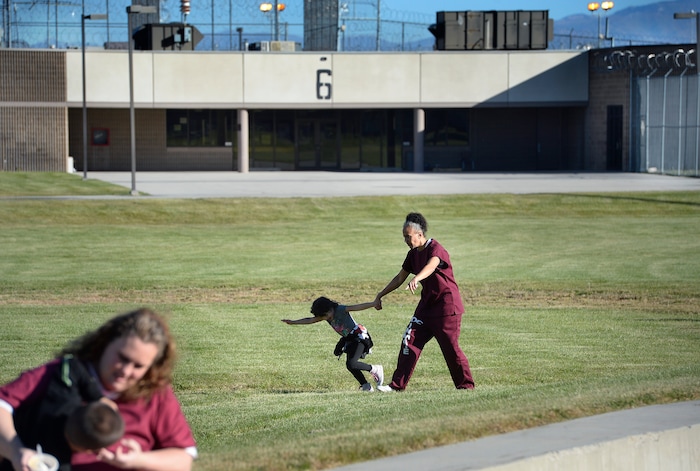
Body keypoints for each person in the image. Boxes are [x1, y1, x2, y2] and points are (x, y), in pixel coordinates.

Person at [0, 308, 197, 471]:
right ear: (105, 343)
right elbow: (2, 405)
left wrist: (138, 460)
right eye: (123, 357)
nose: (126, 371)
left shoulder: (154, 394)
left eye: (138, 366)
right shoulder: (65, 374)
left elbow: (183, 459)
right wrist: (16, 451)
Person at [374, 212, 475, 392]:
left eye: (408, 236)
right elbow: (399, 278)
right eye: (404, 236)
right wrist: (381, 294)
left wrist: (417, 278)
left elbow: (432, 265)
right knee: (409, 341)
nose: (405, 240)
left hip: (446, 307)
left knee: (450, 349)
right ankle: (397, 386)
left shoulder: (436, 249)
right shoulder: (412, 255)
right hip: (426, 308)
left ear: (419, 234)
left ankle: (466, 386)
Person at [0, 352, 125, 471]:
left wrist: (97, 396)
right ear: (86, 450)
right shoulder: (56, 461)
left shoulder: (62, 396)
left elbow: (70, 364)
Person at [282, 296, 385, 392]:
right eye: (324, 316)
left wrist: (373, 304)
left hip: (359, 337)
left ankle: (375, 369)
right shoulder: (326, 315)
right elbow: (310, 320)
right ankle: (366, 385)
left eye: (326, 315)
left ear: (331, 308)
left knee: (352, 363)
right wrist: (293, 322)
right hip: (349, 339)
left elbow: (356, 307)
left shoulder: (340, 309)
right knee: (350, 366)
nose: (326, 318)